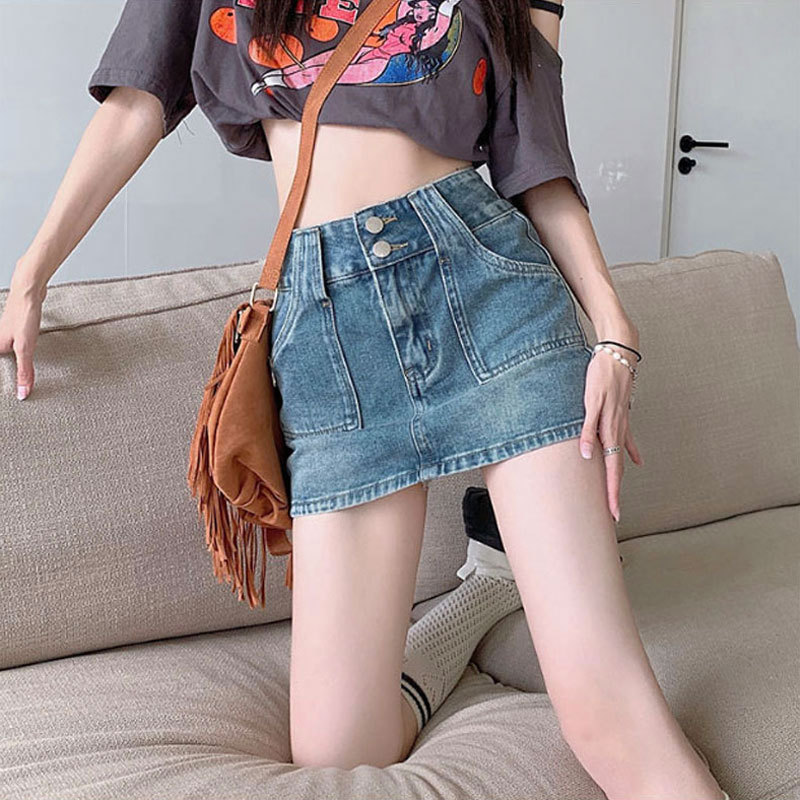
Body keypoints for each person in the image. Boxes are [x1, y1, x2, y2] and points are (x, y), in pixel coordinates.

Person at [0, 0, 729, 797]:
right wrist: (34, 272)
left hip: (489, 292)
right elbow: (135, 101)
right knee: (338, 755)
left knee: (604, 712)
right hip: (327, 329)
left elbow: (537, 161)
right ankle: (487, 591)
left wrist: (614, 328)